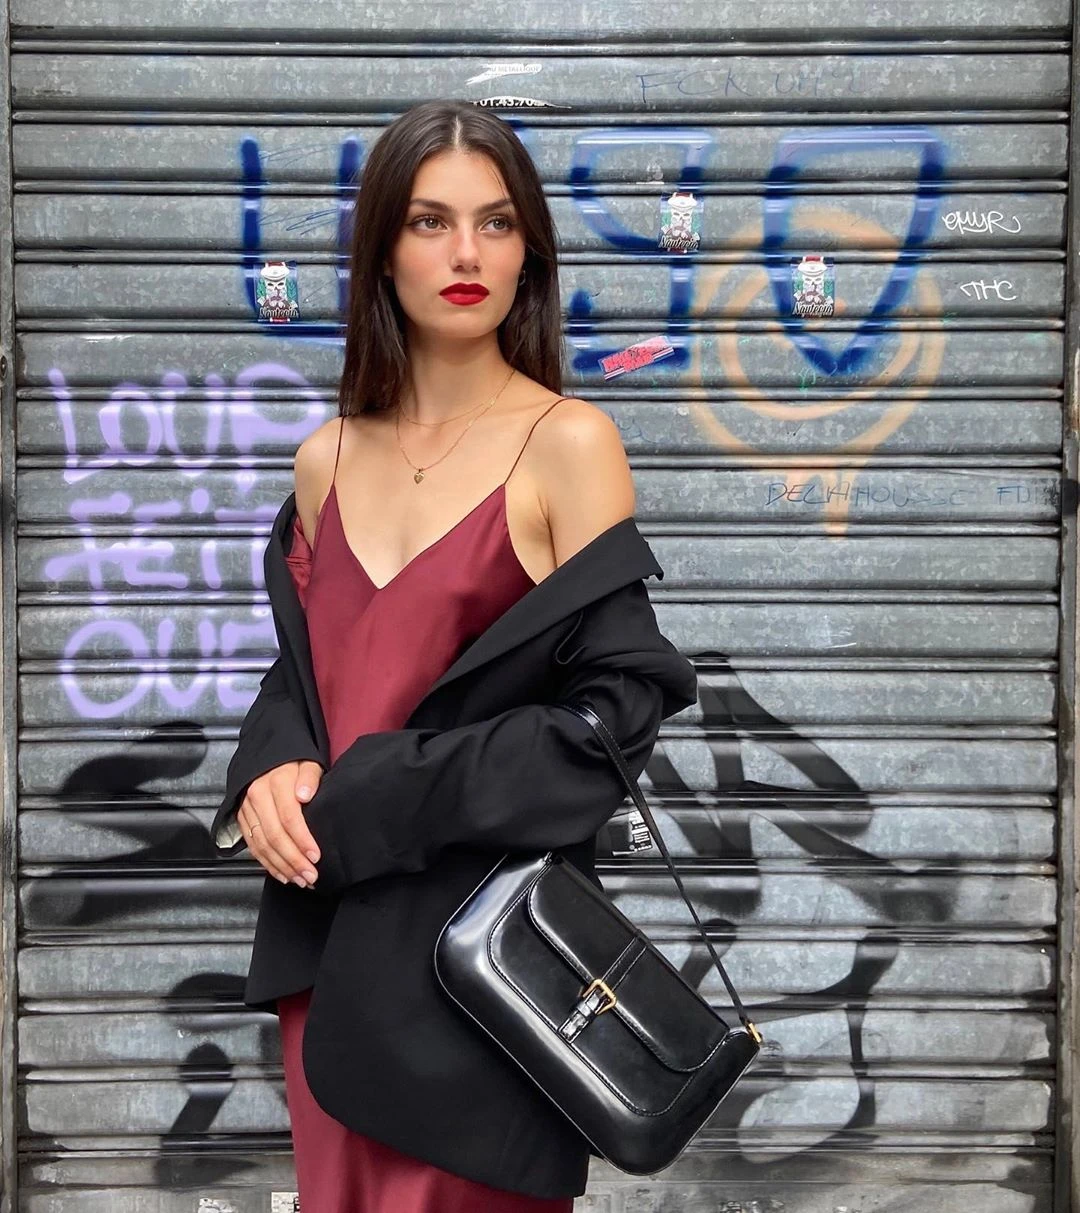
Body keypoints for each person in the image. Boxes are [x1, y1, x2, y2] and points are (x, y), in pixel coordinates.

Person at [209, 99, 699, 1211]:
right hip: (331, 948)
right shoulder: (326, 458)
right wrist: (270, 765)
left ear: (530, 253)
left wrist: (392, 784)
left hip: (479, 961)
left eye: (496, 222)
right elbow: (308, 671)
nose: (467, 253)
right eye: (430, 221)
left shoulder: (566, 442)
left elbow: (620, 707)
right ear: (383, 252)